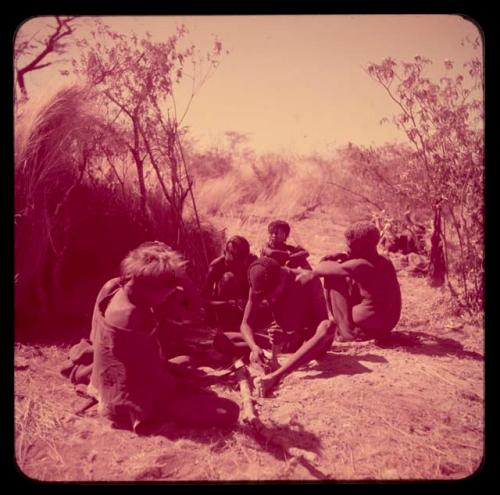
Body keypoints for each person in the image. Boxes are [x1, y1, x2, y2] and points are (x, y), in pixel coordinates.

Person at [88, 241, 239, 433]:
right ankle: (151, 421)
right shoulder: (134, 317)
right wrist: (186, 385)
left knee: (186, 361)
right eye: (167, 291)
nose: (167, 297)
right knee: (230, 410)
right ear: (152, 287)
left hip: (104, 381)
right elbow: (154, 379)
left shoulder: (113, 286)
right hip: (129, 399)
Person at [226, 256, 336, 396]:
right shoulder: (260, 285)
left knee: (329, 326)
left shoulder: (308, 280)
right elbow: (245, 325)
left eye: (272, 295)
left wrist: (290, 336)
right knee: (223, 340)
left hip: (307, 342)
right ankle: (269, 358)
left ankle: (277, 375)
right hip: (281, 342)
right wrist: (254, 347)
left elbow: (322, 325)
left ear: (282, 278)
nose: (270, 299)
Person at [296, 221, 402, 343]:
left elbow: (321, 269)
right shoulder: (385, 260)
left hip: (371, 323)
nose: (347, 249)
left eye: (350, 246)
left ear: (362, 247)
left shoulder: (360, 264)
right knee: (348, 279)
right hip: (388, 324)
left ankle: (347, 331)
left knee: (333, 277)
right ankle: (354, 328)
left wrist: (326, 261)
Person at [202, 235, 258, 332]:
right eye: (232, 263)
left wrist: (249, 301)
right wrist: (227, 304)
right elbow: (204, 300)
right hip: (226, 308)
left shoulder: (253, 262)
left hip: (249, 306)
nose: (236, 266)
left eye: (240, 262)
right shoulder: (216, 267)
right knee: (229, 277)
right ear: (224, 253)